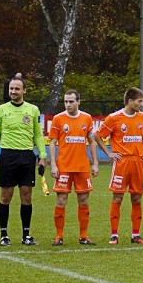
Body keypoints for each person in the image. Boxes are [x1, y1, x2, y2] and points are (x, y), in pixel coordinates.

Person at [0, 77, 47, 246]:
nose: (13, 91)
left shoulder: (33, 110)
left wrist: (42, 155)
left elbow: (38, 134)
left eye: (17, 89)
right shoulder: (1, 110)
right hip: (8, 156)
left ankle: (26, 235)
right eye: (11, 89)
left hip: (27, 156)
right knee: (6, 196)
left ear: (24, 91)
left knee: (26, 196)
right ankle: (4, 235)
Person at [94, 87, 143, 245]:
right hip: (122, 163)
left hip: (138, 162)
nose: (141, 104)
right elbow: (97, 136)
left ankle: (136, 234)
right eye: (139, 101)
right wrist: (109, 153)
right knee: (118, 197)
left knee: (136, 198)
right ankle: (114, 235)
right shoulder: (114, 118)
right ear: (130, 101)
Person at [48, 90, 99, 246]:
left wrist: (95, 162)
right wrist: (53, 164)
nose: (68, 104)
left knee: (83, 201)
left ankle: (83, 236)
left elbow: (91, 141)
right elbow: (52, 142)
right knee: (61, 200)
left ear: (78, 101)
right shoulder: (58, 119)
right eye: (66, 102)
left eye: (71, 101)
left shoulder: (86, 118)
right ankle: (59, 236)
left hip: (82, 168)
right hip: (63, 167)